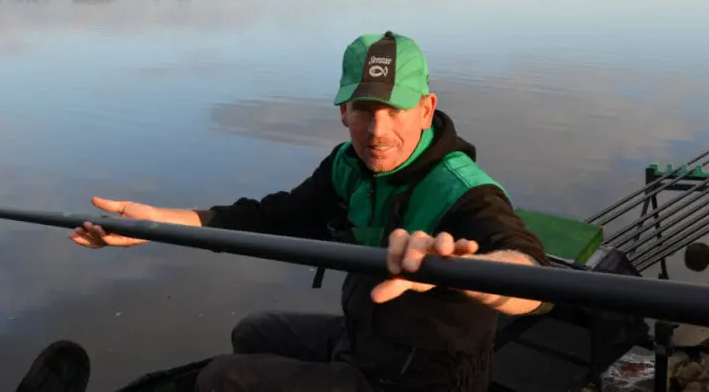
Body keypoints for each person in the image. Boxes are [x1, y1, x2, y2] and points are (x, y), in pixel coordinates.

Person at [69, 31, 552, 392]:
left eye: (395, 110)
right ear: (343, 111)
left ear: (426, 109)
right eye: (363, 109)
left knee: (223, 379)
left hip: (425, 375)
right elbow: (270, 217)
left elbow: (530, 278)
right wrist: (155, 224)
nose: (377, 131)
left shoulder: (462, 190)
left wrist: (462, 270)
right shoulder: (349, 165)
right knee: (251, 329)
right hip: (365, 339)